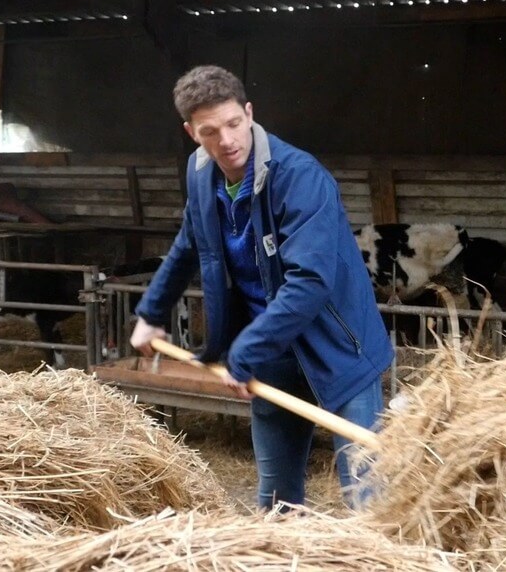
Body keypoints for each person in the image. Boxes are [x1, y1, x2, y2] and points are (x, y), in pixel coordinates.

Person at [130, 64, 392, 510]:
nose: (227, 141)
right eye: (210, 131)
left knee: (365, 495)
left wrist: (245, 350)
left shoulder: (299, 177)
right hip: (272, 353)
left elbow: (309, 281)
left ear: (249, 113)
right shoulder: (201, 176)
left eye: (234, 124)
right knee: (275, 497)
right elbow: (187, 245)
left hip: (338, 347)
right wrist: (151, 314)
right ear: (192, 132)